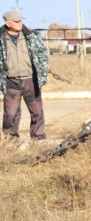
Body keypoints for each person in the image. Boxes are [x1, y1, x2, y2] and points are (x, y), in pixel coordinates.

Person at [0, 10, 49, 140]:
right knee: (10, 113)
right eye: (16, 21)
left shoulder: (30, 36)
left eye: (21, 20)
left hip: (30, 80)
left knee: (37, 111)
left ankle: (38, 138)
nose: (20, 23)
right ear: (8, 23)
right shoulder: (1, 39)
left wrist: (42, 73)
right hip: (11, 82)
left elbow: (42, 53)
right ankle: (10, 141)